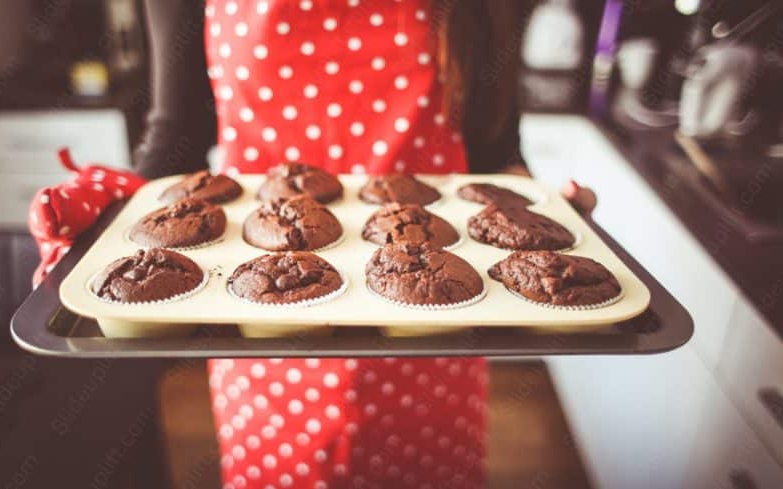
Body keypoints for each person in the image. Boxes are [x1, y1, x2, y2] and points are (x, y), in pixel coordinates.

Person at [32, 1, 595, 487]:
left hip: (430, 317)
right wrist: (108, 217)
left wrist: (543, 218)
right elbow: (175, 142)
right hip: (264, 320)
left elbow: (495, 148)